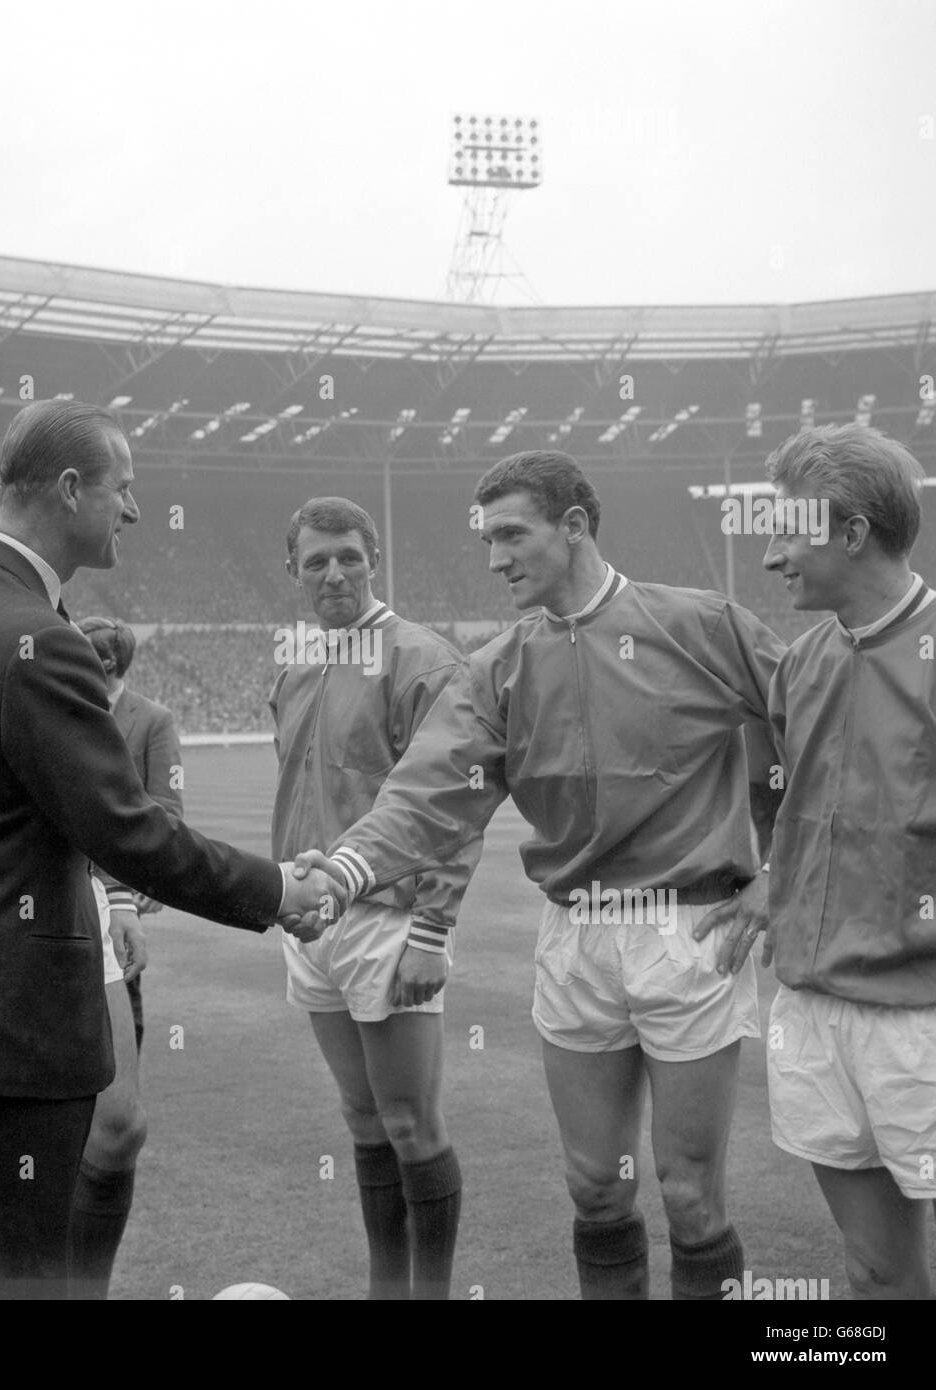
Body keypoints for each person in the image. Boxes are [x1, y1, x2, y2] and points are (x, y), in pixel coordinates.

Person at [0, 398, 343, 1299]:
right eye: (124, 489)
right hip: (7, 1030)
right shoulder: (33, 635)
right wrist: (278, 889)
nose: (131, 510)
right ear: (72, 488)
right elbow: (124, 828)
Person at [298, 450, 785, 1300]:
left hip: (690, 931)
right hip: (573, 937)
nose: (494, 558)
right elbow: (425, 793)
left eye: (511, 534)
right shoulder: (497, 665)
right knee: (594, 1185)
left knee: (688, 1196)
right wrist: (341, 872)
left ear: (574, 525)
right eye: (486, 539)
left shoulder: (699, 624)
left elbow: (816, 725)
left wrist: (780, 869)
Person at [271, 498, 472, 1300]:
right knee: (361, 1121)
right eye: (316, 560)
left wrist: (432, 927)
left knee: (409, 1124)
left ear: (374, 560)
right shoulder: (294, 666)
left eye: (348, 556)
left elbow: (455, 798)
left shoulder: (422, 658)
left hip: (391, 921)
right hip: (309, 922)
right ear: (293, 570)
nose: (334, 573)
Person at [757, 423, 936, 1299]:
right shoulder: (799, 662)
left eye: (784, 530)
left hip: (920, 1019)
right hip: (813, 1009)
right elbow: (798, 811)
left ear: (851, 531)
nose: (769, 557)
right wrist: (770, 891)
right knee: (874, 1274)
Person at [68, 615, 183, 1299]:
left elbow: (162, 810)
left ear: (112, 661)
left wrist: (121, 895)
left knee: (115, 1104)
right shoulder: (55, 709)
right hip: (57, 907)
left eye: (93, 652)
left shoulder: (150, 719)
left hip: (111, 912)